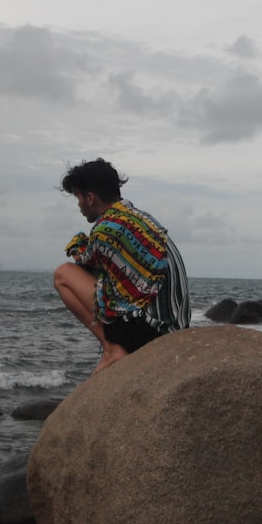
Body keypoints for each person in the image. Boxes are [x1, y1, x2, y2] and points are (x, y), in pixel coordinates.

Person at [54, 158, 190, 376]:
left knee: (63, 274)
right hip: (175, 326)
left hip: (151, 331)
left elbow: (85, 261)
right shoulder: (140, 218)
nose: (78, 204)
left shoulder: (107, 228)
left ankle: (112, 350)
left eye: (78, 197)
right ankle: (114, 346)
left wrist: (77, 248)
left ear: (90, 198)